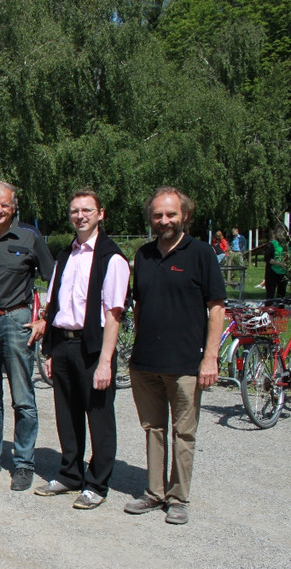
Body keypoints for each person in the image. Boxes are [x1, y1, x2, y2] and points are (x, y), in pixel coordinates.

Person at [124, 187, 224, 525]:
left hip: (185, 363)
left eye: (171, 214)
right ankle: (154, 493)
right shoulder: (144, 255)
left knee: (184, 433)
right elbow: (140, 307)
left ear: (184, 215)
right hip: (146, 362)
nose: (164, 220)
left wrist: (210, 359)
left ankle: (178, 497)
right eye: (158, 215)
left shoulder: (201, 254)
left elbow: (216, 309)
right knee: (153, 428)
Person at [31, 189, 130, 510]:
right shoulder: (65, 255)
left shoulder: (111, 258)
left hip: (93, 348)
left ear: (101, 214)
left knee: (99, 417)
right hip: (63, 344)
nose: (80, 216)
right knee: (66, 414)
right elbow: (54, 304)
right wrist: (49, 351)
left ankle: (97, 483)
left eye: (87, 210)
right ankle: (70, 473)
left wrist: (106, 362)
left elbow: (114, 313)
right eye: (75, 210)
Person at [0, 181, 53, 491]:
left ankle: (24, 462)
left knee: (23, 397)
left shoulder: (29, 236)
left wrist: (44, 318)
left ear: (14, 207)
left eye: (4, 205)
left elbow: (53, 278)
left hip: (17, 321)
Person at [263, 228, 288, 299]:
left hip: (283, 274)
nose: (281, 234)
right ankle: (268, 309)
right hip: (272, 272)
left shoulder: (287, 244)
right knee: (270, 294)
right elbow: (267, 258)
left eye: (283, 232)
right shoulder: (272, 244)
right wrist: (280, 263)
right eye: (279, 232)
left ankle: (280, 309)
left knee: (281, 296)